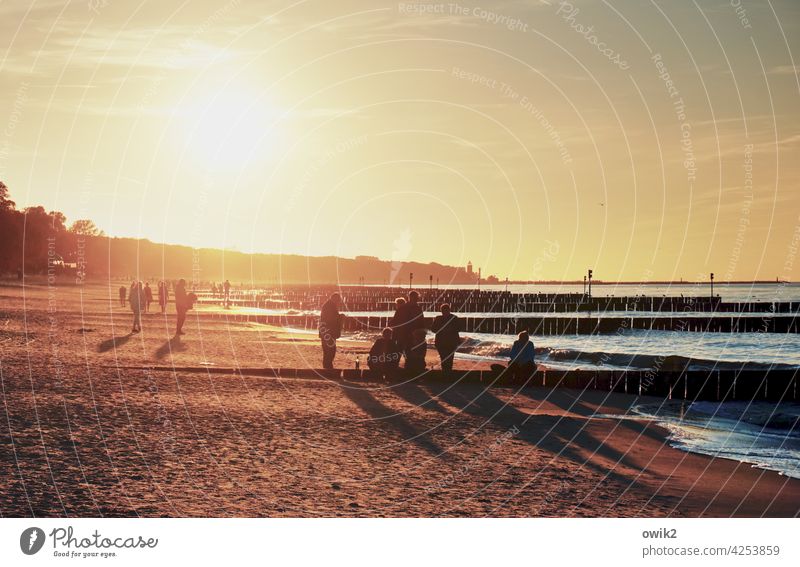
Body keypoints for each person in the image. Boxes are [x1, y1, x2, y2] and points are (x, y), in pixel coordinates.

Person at [390, 291, 425, 367]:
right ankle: (407, 371)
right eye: (416, 298)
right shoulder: (417, 309)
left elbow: (394, 322)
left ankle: (394, 370)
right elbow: (421, 323)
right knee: (409, 355)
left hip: (402, 335)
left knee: (399, 353)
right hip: (411, 336)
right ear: (415, 298)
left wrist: (394, 335)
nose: (417, 299)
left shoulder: (402, 308)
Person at [432, 304, 461, 372]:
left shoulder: (454, 318)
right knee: (443, 358)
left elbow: (459, 328)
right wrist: (442, 329)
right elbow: (433, 329)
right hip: (441, 342)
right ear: (441, 311)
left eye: (446, 311)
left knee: (450, 358)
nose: (445, 312)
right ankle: (445, 372)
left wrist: (451, 329)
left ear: (449, 310)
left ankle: (448, 372)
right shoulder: (438, 318)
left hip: (451, 342)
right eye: (443, 311)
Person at [319, 293, 343, 369]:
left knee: (328, 351)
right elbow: (330, 319)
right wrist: (340, 317)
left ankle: (327, 367)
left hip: (327, 332)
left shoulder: (328, 305)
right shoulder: (330, 306)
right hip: (328, 332)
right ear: (335, 299)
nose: (339, 302)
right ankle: (328, 368)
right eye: (338, 300)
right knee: (330, 351)